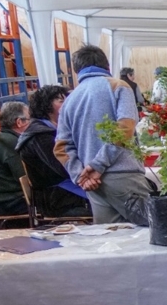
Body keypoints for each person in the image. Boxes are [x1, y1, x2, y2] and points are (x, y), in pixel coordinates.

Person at [55, 45, 150, 225]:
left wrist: (80, 176)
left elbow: (62, 146)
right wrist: (98, 164)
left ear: (77, 71)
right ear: (107, 66)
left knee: (109, 240)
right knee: (150, 232)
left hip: (94, 184)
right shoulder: (118, 87)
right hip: (124, 176)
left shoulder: (69, 100)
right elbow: (125, 128)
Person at [17, 85, 92, 218]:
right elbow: (64, 168)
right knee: (108, 205)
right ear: (46, 106)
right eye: (61, 101)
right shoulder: (40, 136)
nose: (68, 103)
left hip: (64, 194)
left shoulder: (53, 130)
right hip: (57, 200)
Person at [0, 101, 30, 215]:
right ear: (19, 122)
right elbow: (27, 178)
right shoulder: (11, 144)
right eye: (29, 119)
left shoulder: (4, 138)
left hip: (4, 198)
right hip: (7, 203)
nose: (31, 123)